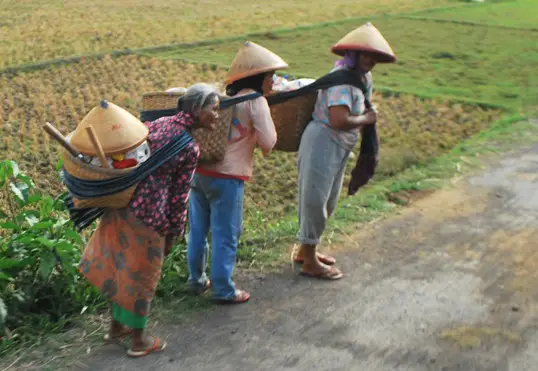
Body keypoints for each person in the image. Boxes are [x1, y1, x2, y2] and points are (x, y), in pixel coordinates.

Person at [78, 83, 220, 357]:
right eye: (213, 109)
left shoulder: (158, 123)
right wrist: (174, 232)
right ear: (196, 110)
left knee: (121, 266)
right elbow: (180, 196)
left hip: (123, 204)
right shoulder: (189, 147)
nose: (217, 114)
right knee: (143, 274)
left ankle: (116, 328)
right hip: (150, 214)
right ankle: (139, 341)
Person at [186, 41, 288, 303]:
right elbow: (269, 141)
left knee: (198, 229)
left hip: (199, 171)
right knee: (225, 233)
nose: (273, 82)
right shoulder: (256, 102)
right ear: (259, 78)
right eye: (270, 77)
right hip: (228, 178)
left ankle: (196, 281)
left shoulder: (221, 98)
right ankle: (223, 289)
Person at [293, 22, 396, 280]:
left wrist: (364, 120)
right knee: (315, 200)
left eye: (374, 55)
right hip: (322, 142)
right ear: (353, 54)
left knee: (327, 200)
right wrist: (367, 120)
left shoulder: (362, 79)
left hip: (338, 145)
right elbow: (339, 119)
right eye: (365, 54)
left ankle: (306, 250)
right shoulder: (342, 81)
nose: (370, 60)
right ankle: (309, 261)